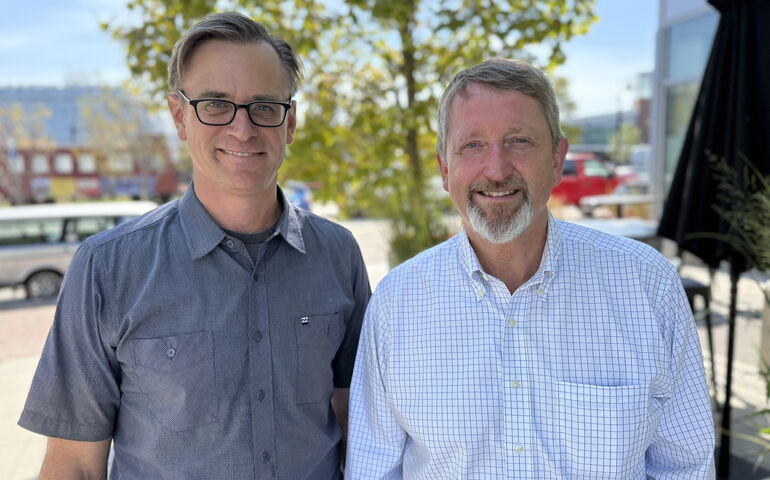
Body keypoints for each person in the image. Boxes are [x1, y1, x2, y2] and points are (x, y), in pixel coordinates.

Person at [19, 12, 371, 480]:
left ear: (290, 122)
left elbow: (358, 429)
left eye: (264, 106)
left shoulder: (338, 254)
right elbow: (75, 466)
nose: (242, 129)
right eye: (216, 104)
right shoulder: (106, 268)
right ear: (179, 116)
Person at [346, 59, 714, 479]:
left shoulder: (646, 285)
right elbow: (375, 471)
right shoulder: (397, 304)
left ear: (557, 159)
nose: (497, 170)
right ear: (445, 169)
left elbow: (686, 467)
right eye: (472, 145)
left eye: (519, 141)